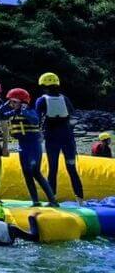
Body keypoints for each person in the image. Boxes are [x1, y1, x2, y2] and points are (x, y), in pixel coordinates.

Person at [4, 87, 60, 207]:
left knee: (35, 172)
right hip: (22, 147)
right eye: (10, 102)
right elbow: (0, 115)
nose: (11, 104)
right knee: (27, 173)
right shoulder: (13, 113)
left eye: (14, 101)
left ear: (23, 102)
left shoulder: (30, 111)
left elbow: (35, 120)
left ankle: (53, 201)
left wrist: (24, 111)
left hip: (33, 146)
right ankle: (35, 201)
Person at [36, 72, 85, 205]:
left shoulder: (41, 100)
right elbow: (74, 117)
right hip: (68, 139)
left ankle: (53, 200)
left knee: (53, 169)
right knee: (72, 169)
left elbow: (36, 119)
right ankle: (80, 200)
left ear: (44, 85)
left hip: (52, 140)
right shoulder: (65, 99)